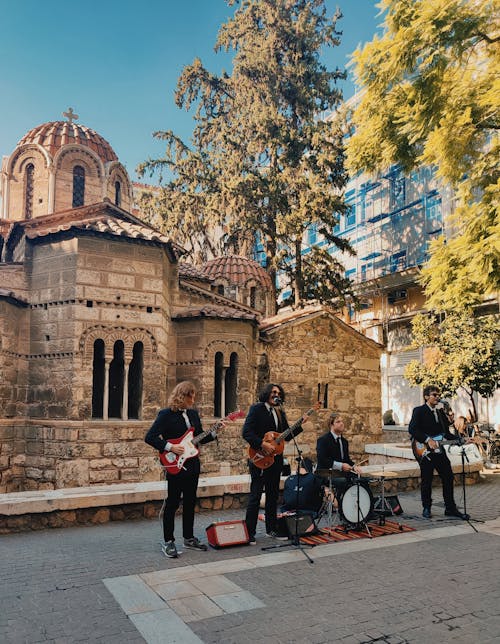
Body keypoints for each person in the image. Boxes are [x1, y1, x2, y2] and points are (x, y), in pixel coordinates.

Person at [145, 381, 216, 558]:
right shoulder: (166, 414)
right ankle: (169, 541)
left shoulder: (193, 414)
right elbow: (150, 437)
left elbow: (198, 438)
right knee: (173, 502)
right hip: (175, 464)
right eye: (190, 396)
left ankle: (189, 538)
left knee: (191, 501)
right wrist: (170, 447)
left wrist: (214, 432)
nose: (193, 399)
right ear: (182, 396)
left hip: (192, 464)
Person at [242, 383, 308, 544]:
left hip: (275, 459)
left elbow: (286, 435)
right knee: (256, 495)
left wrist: (300, 424)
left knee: (272, 495)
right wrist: (262, 444)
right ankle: (249, 532)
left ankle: (271, 528)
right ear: (267, 393)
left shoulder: (279, 412)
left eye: (278, 392)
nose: (275, 394)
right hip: (258, 457)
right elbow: (246, 432)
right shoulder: (257, 409)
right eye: (273, 391)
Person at [408, 385, 468, 520]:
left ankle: (450, 508)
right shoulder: (419, 411)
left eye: (438, 395)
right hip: (424, 451)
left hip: (439, 450)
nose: (437, 397)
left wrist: (460, 439)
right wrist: (427, 439)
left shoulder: (440, 413)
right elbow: (412, 429)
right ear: (426, 397)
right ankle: (426, 507)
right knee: (427, 479)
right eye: (434, 395)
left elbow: (446, 434)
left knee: (448, 476)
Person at [316, 412, 365, 500]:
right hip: (327, 474)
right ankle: (342, 507)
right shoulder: (323, 440)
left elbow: (346, 459)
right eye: (338, 422)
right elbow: (322, 459)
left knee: (363, 479)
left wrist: (354, 467)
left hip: (341, 473)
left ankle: (365, 508)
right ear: (331, 425)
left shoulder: (344, 442)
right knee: (343, 481)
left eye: (342, 421)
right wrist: (341, 465)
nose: (341, 423)